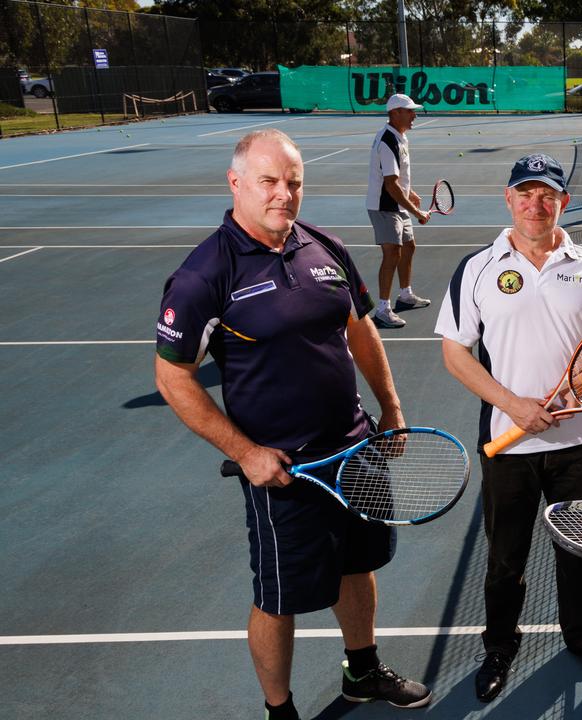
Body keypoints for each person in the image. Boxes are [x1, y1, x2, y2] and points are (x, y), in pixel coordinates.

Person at [154, 129, 429, 719]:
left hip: (354, 448)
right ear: (236, 184)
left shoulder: (324, 246)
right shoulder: (204, 275)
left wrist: (392, 407)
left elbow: (360, 328)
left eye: (294, 182)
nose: (284, 194)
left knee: (358, 564)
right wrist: (248, 452)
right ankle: (280, 712)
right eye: (269, 181)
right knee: (278, 598)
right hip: (283, 470)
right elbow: (173, 378)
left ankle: (362, 670)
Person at [435, 153, 582, 702]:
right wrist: (514, 404)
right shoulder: (477, 267)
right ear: (509, 198)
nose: (535, 204)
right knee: (505, 557)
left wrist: (577, 387)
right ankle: (499, 646)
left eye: (547, 194)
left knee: (577, 551)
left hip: (577, 441)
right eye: (525, 193)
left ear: (562, 202)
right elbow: (455, 352)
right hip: (509, 441)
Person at [367, 93, 432, 329]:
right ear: (395, 113)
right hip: (385, 206)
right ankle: (383, 309)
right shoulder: (388, 141)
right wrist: (417, 211)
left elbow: (398, 178)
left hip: (396, 203)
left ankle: (405, 293)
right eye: (410, 111)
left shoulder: (400, 137)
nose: (415, 115)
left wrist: (410, 191)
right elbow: (390, 185)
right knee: (392, 252)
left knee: (409, 247)